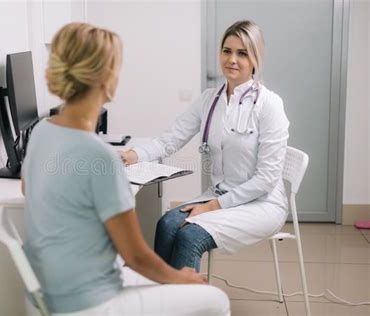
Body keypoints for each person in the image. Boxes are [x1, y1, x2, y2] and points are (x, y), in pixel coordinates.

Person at [22, 23, 230, 316]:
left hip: (45, 296)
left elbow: (27, 189)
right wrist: (182, 279)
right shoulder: (101, 158)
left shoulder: (42, 131)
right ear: (104, 78)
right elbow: (135, 256)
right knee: (215, 300)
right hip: (92, 304)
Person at [121, 20, 290, 272]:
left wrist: (212, 206)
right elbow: (171, 139)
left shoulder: (269, 105)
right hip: (221, 194)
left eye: (242, 53)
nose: (232, 59)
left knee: (190, 237)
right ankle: (163, 299)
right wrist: (133, 155)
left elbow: (266, 179)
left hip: (261, 203)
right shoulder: (210, 100)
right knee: (166, 224)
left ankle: (188, 307)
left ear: (255, 58)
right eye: (227, 50)